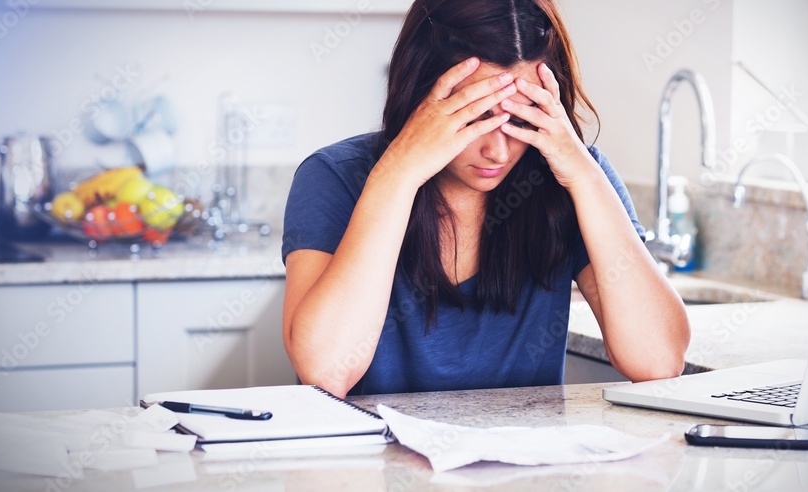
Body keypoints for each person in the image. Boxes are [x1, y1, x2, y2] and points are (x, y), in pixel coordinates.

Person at [282, 0, 690, 398]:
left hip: (528, 463)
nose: (497, 150)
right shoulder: (335, 176)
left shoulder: (573, 178)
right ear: (419, 96)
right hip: (375, 460)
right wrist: (399, 174)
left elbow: (659, 362)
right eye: (476, 116)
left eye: (521, 116)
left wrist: (584, 176)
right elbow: (325, 373)